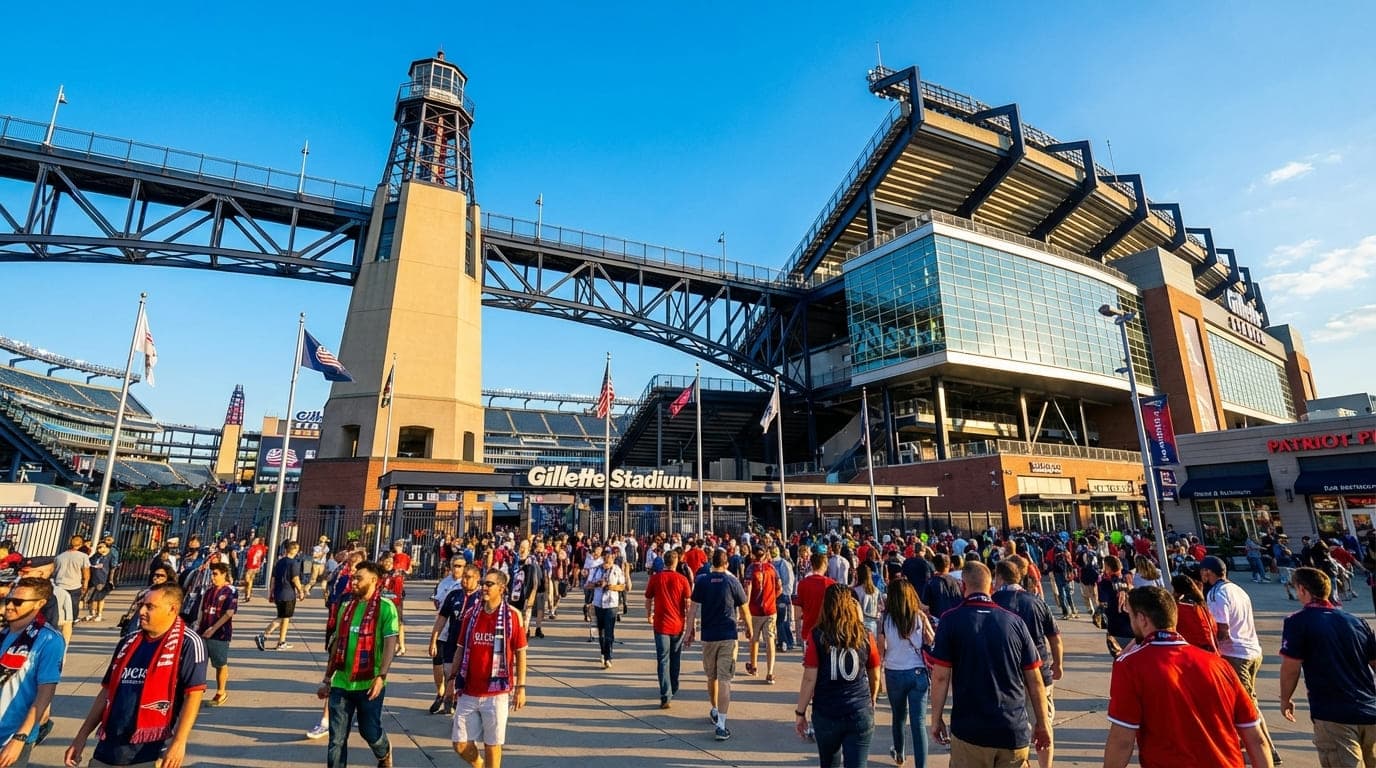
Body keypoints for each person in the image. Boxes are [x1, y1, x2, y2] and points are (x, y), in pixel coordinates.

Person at [1104, 586, 1272, 768]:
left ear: (1142, 619)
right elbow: (1256, 739)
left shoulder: (1130, 665)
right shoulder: (1220, 665)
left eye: (1131, 617)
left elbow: (1122, 740)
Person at [63, 583, 207, 768]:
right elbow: (107, 692)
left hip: (151, 748)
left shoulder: (189, 643)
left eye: (150, 606)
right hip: (110, 744)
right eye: (141, 605)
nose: (142, 611)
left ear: (173, 609)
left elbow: (194, 694)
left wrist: (179, 742)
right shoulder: (128, 642)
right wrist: (81, 736)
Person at [927, 560, 1051, 767]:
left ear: (963, 586)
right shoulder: (1015, 622)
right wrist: (1042, 722)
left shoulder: (950, 620)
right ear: (991, 586)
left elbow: (940, 676)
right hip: (1012, 728)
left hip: (970, 730)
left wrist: (936, 718)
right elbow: (1035, 679)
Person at [1279, 566, 1376, 767]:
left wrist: (1285, 699)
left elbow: (1291, 667)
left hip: (1333, 713)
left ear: (1303, 589)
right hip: (1369, 709)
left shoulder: (1298, 621)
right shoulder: (1356, 621)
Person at [317, 561, 398, 768]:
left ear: (373, 580)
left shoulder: (385, 607)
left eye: (358, 578)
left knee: (369, 730)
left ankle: (384, 752)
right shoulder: (346, 606)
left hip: (369, 683)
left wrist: (382, 676)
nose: (353, 581)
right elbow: (336, 645)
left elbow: (390, 643)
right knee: (336, 739)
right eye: (353, 577)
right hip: (342, 683)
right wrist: (327, 678)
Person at [1201, 555, 1281, 765]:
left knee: (1247, 705)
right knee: (1241, 701)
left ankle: (1267, 748)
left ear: (1207, 572)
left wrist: (1209, 647)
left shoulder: (1216, 594)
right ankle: (1245, 742)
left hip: (1235, 654)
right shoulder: (1238, 589)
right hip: (1253, 650)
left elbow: (1223, 630)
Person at [794, 583, 880, 768]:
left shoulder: (817, 636)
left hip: (827, 711)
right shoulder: (865, 635)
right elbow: (875, 671)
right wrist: (872, 697)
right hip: (859, 709)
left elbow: (810, 677)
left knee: (829, 763)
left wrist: (800, 712)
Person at [449, 569, 528, 768]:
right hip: (469, 689)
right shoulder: (471, 614)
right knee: (459, 744)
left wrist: (521, 687)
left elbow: (520, 652)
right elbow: (460, 648)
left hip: (496, 692)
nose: (483, 587)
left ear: (502, 588)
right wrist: (451, 679)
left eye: (489, 584)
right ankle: (479, 765)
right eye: (483, 582)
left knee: (492, 744)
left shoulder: (512, 616)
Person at [993, 558, 1063, 768]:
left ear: (999, 577)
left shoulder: (993, 602)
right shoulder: (1036, 601)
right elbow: (1054, 637)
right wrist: (1058, 664)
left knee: (1007, 726)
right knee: (1043, 724)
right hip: (1039, 670)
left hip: (1006, 673)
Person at [685, 548, 751, 741]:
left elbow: (693, 609)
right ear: (727, 563)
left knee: (711, 676)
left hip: (708, 636)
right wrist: (750, 629)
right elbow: (745, 609)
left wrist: (690, 630)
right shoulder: (732, 581)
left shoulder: (702, 581)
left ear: (711, 562)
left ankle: (714, 708)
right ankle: (722, 723)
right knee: (725, 679)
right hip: (728, 635)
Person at [0, 577, 66, 768]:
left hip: (11, 737)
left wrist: (19, 738)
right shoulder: (3, 633)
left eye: (18, 602)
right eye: (8, 600)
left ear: (40, 604)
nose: (10, 606)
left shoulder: (49, 640)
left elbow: (45, 693)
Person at [875, 579, 932, 768]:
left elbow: (881, 648)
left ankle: (899, 753)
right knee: (919, 723)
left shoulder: (885, 619)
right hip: (917, 672)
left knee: (898, 716)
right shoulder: (919, 617)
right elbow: (931, 640)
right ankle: (920, 765)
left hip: (894, 672)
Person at [644, 548, 692, 708]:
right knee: (675, 657)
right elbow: (688, 603)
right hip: (678, 624)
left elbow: (648, 598)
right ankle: (673, 685)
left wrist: (648, 614)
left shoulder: (656, 578)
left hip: (661, 624)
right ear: (676, 561)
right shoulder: (682, 579)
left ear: (664, 561)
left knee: (663, 659)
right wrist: (691, 624)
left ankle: (665, 693)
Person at [428, 559, 477, 715]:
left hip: (471, 645)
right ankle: (449, 699)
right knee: (449, 673)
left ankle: (459, 704)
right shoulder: (453, 595)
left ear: (477, 578)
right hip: (452, 642)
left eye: (468, 577)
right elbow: (441, 618)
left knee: (467, 677)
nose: (464, 580)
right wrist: (433, 640)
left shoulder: (481, 598)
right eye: (463, 577)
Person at [196, 562, 237, 707]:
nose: (213, 577)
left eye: (215, 574)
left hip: (219, 634)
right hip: (203, 631)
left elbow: (229, 613)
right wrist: (198, 626)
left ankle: (221, 691)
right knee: (198, 662)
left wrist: (213, 629)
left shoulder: (230, 591)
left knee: (220, 663)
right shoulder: (209, 591)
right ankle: (195, 691)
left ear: (224, 574)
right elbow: (202, 609)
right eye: (211, 574)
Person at [257, 541, 305, 652]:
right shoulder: (293, 563)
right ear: (294, 550)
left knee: (285, 617)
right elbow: (295, 578)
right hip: (288, 593)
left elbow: (273, 578)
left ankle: (281, 641)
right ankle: (264, 635)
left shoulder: (279, 562)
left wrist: (271, 592)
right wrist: (300, 591)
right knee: (282, 617)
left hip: (279, 592)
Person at [584, 546, 626, 669]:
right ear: (603, 558)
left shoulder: (616, 570)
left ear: (613, 558)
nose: (608, 559)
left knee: (609, 631)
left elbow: (622, 586)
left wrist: (610, 586)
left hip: (611, 604)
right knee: (601, 631)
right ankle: (603, 652)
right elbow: (587, 585)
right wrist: (598, 584)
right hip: (598, 603)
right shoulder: (596, 570)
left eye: (610, 557)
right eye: (606, 557)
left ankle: (608, 656)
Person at [744, 546, 781, 683]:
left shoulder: (750, 569)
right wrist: (773, 598)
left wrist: (745, 609)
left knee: (754, 638)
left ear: (753, 555)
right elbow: (779, 587)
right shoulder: (772, 568)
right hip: (770, 609)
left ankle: (753, 666)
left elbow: (747, 590)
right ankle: (770, 672)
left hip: (754, 610)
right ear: (765, 555)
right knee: (770, 639)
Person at [1170, 574, 1217, 653]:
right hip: (1210, 651)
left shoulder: (1180, 609)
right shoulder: (1201, 606)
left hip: (1194, 651)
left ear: (1175, 590)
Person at [52, 536, 90, 625]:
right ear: (81, 544)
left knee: (59, 604)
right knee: (73, 604)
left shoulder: (59, 557)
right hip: (74, 584)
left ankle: (58, 620)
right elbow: (86, 572)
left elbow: (54, 572)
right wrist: (85, 584)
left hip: (60, 584)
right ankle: (71, 621)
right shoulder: (83, 556)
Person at [83, 541, 115, 622]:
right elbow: (89, 562)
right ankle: (91, 613)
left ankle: (99, 614)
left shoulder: (110, 556)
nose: (100, 549)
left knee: (100, 597)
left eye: (101, 547)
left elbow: (113, 568)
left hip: (102, 579)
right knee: (91, 597)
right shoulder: (96, 556)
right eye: (98, 547)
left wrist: (110, 580)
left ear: (106, 547)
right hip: (93, 579)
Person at [243, 537, 267, 603]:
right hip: (248, 565)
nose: (254, 541)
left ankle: (248, 595)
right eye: (254, 540)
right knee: (248, 581)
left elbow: (262, 556)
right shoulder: (250, 547)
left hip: (255, 565)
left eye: (256, 540)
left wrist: (260, 564)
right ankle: (247, 594)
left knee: (249, 579)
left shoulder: (261, 547)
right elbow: (247, 556)